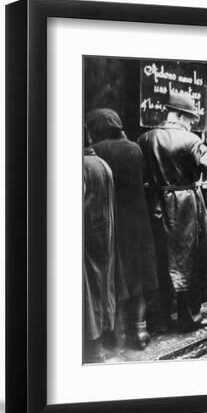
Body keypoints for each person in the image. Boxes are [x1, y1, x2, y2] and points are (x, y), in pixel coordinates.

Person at [138, 92, 207, 332]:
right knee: (191, 260)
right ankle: (189, 318)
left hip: (156, 203)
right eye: (190, 118)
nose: (191, 123)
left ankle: (160, 320)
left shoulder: (146, 138)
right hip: (185, 204)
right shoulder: (190, 141)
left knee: (161, 259)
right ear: (180, 115)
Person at [88, 108, 159, 350]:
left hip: (114, 221)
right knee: (140, 274)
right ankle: (140, 331)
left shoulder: (98, 150)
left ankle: (115, 335)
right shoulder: (134, 148)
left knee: (117, 276)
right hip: (139, 220)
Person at [83, 131, 116, 360]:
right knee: (104, 282)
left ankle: (92, 346)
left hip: (87, 232)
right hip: (106, 230)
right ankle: (107, 333)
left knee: (89, 287)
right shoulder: (102, 163)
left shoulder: (80, 166)